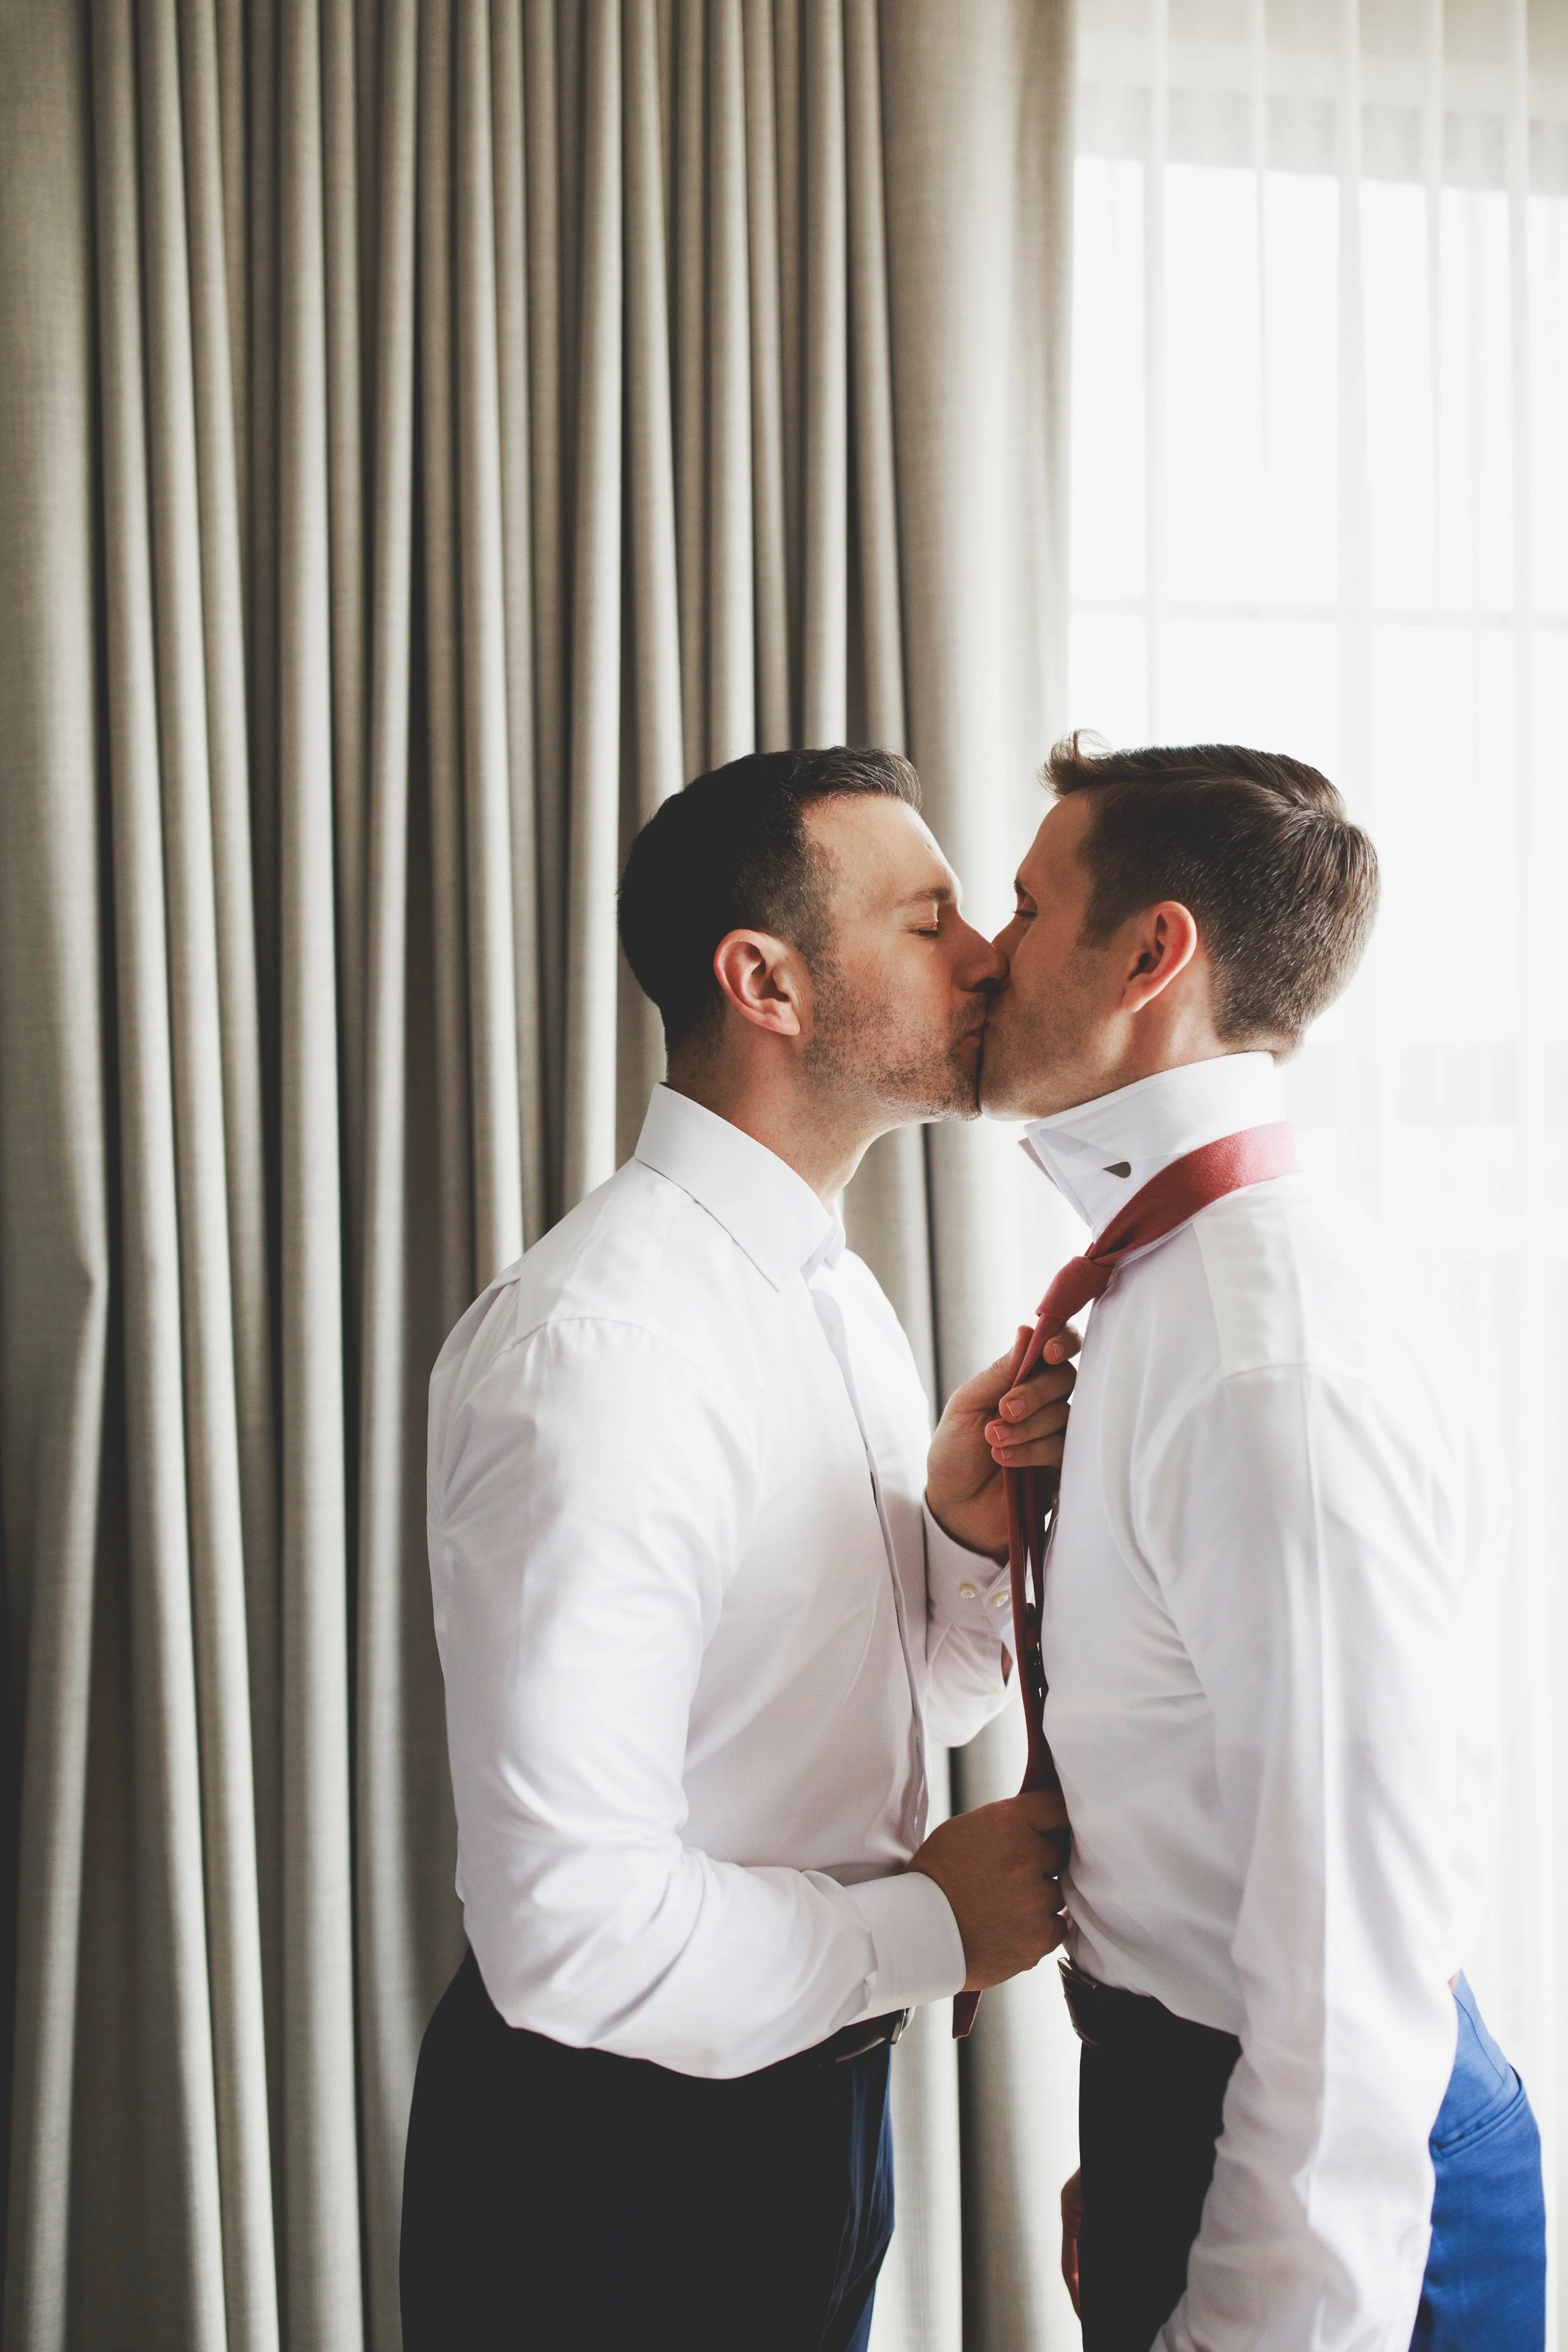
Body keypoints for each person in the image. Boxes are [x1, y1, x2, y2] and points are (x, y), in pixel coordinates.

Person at [400, 747, 1074, 2352]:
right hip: (613, 2164)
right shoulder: (606, 1351)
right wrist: (931, 1930)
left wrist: (959, 1543)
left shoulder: (829, 1294)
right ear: (764, 981)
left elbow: (868, 1726)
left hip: (805, 2100)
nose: (985, 953)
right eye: (927, 922)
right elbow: (569, 1931)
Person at [977, 736, 1546, 2352]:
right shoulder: (1174, 1296)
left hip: (1346, 2190)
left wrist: (1243, 2291)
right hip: (1207, 2112)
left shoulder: (1260, 1364)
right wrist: (1151, 2141)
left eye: (1024, 909)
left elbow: (1346, 1967)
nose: (987, 955)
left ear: (1150, 954)